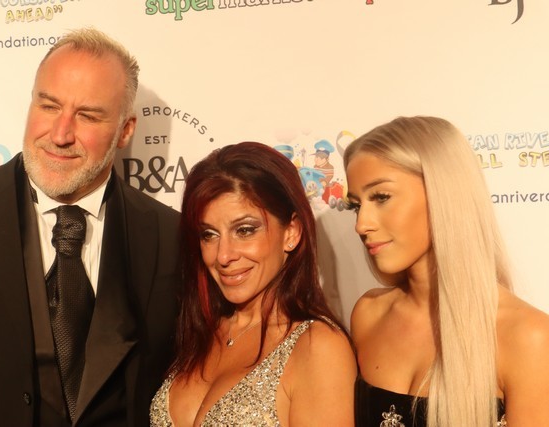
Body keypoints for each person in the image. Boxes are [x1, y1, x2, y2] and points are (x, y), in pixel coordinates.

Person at [0, 28, 180, 427]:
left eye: (87, 115)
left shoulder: (170, 237)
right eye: (49, 106)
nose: (60, 134)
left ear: (125, 130)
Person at [343, 116, 549, 426]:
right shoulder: (368, 314)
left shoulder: (528, 337)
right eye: (356, 206)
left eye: (381, 197)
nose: (362, 224)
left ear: (444, 193)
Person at [150, 141, 357, 426]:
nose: (223, 256)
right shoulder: (200, 330)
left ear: (291, 233)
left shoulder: (317, 347)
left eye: (245, 230)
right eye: (209, 235)